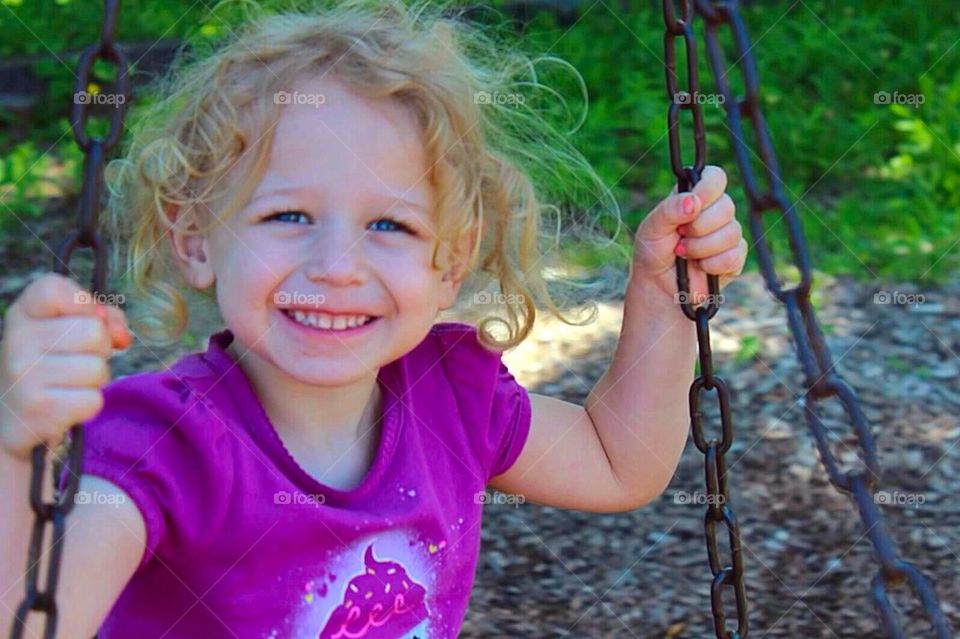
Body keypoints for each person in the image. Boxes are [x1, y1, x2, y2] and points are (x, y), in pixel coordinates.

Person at [0, 1, 747, 637]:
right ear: (195, 237)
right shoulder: (163, 448)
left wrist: (663, 293)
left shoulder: (450, 398)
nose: (337, 265)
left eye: (389, 225)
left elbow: (619, 459)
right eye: (288, 214)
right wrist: (11, 447)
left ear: (449, 261)